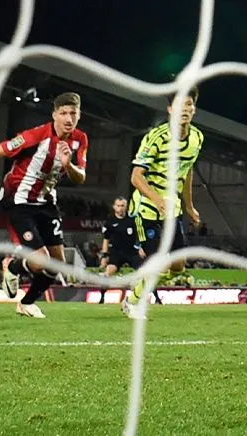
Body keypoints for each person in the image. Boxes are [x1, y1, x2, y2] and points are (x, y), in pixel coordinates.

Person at [0, 92, 88, 318]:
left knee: (57, 265)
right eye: (63, 113)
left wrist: (68, 164)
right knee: (40, 261)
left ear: (79, 115)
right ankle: (13, 266)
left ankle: (27, 303)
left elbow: (80, 177)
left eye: (73, 113)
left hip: (47, 203)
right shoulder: (35, 136)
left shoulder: (80, 139)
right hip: (20, 203)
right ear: (54, 115)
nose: (68, 118)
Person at [121, 88, 204, 319]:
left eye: (188, 105)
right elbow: (136, 177)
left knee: (178, 266)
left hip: (172, 209)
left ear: (194, 109)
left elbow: (187, 172)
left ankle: (142, 284)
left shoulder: (197, 138)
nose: (184, 110)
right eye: (179, 105)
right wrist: (157, 200)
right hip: (146, 209)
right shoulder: (156, 138)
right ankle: (133, 301)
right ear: (169, 109)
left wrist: (189, 206)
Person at [101, 196, 144, 277]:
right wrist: (104, 256)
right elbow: (106, 239)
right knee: (110, 269)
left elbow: (140, 235)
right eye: (118, 205)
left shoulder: (133, 219)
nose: (120, 208)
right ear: (114, 207)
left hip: (131, 251)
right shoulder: (109, 222)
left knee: (143, 270)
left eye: (122, 206)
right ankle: (104, 281)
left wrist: (141, 247)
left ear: (126, 206)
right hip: (116, 252)